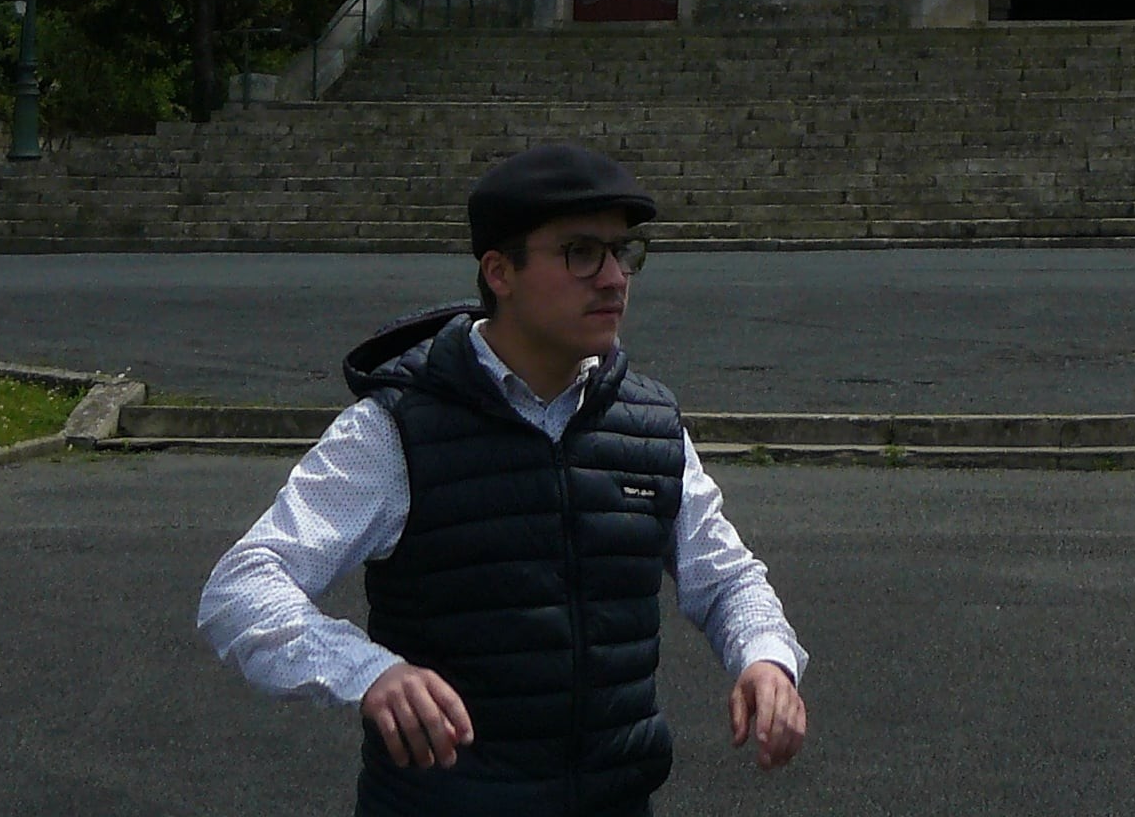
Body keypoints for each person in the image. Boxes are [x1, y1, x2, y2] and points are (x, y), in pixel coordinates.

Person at [199, 141, 807, 811]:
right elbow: (243, 587)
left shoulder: (648, 422)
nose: (613, 277)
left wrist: (765, 657)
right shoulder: (396, 429)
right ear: (499, 272)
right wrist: (369, 672)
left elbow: (725, 579)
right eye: (581, 252)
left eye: (622, 251)